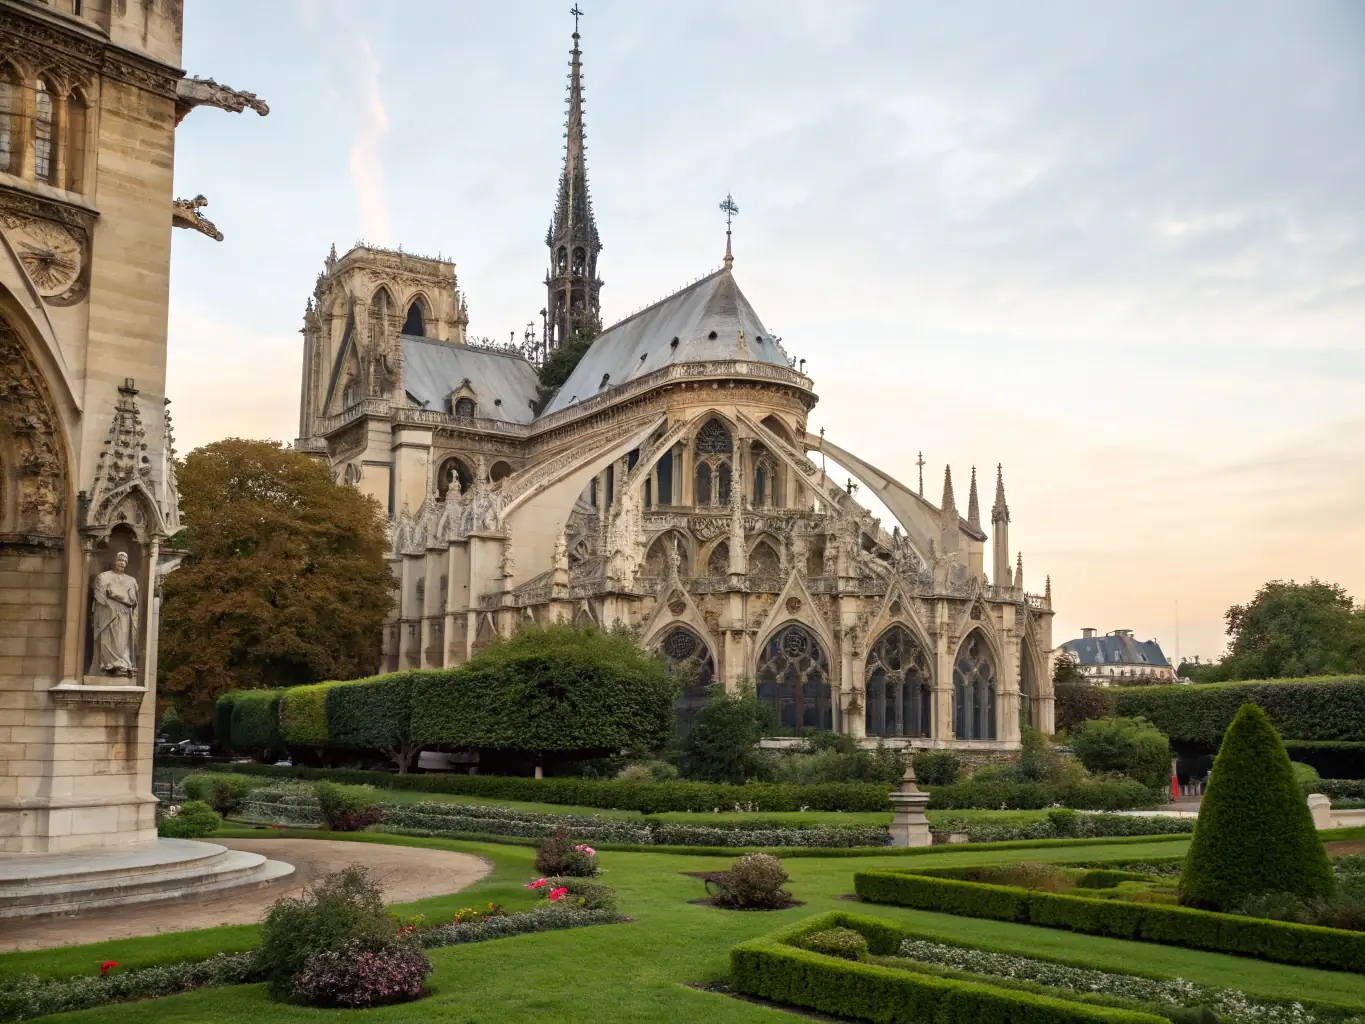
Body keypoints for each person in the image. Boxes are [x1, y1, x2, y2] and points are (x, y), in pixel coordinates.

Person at [91, 550, 138, 676]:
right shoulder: (104, 576)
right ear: (115, 561)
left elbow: (133, 600)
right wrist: (117, 599)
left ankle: (123, 663)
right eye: (119, 560)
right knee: (108, 638)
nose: (121, 563)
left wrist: (116, 595)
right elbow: (99, 596)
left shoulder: (131, 580)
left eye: (124, 561)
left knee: (122, 639)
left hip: (124, 615)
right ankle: (108, 664)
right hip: (108, 613)